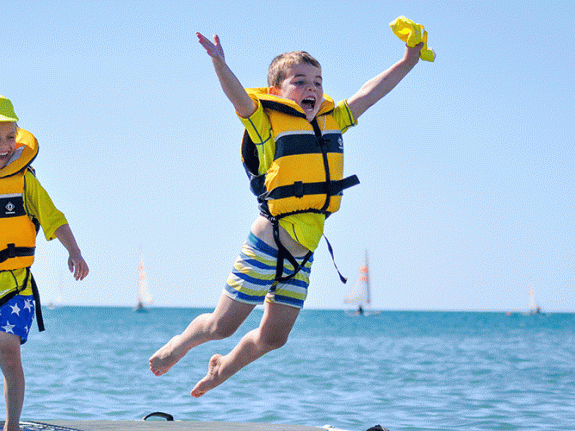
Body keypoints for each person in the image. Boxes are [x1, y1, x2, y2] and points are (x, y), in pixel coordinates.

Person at [149, 32, 423, 398]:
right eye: (300, 82)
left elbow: (372, 91)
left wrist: (408, 60)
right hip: (268, 243)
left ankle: (221, 369)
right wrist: (219, 62)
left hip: (303, 253)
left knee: (274, 338)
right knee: (222, 325)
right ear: (277, 91)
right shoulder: (265, 124)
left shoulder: (333, 118)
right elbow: (238, 98)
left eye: (318, 82)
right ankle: (179, 345)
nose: (312, 88)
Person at [0, 96, 89, 431]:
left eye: (10, 137)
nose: (5, 146)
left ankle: (12, 426)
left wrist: (74, 252)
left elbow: (53, 219)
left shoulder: (25, 181)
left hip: (15, 286)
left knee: (8, 353)